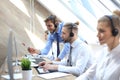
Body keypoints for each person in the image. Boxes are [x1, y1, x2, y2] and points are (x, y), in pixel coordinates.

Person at [75, 11, 120, 80]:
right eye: (97, 31)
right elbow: (88, 75)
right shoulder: (102, 53)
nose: (97, 35)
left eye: (101, 31)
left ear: (115, 32)